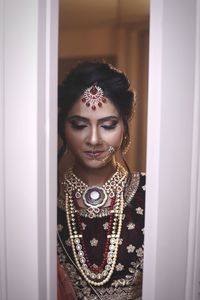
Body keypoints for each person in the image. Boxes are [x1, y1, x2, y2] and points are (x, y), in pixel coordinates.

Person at [57, 61, 145, 300]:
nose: (94, 139)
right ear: (62, 128)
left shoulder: (152, 195)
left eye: (108, 125)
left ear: (125, 127)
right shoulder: (43, 199)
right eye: (79, 125)